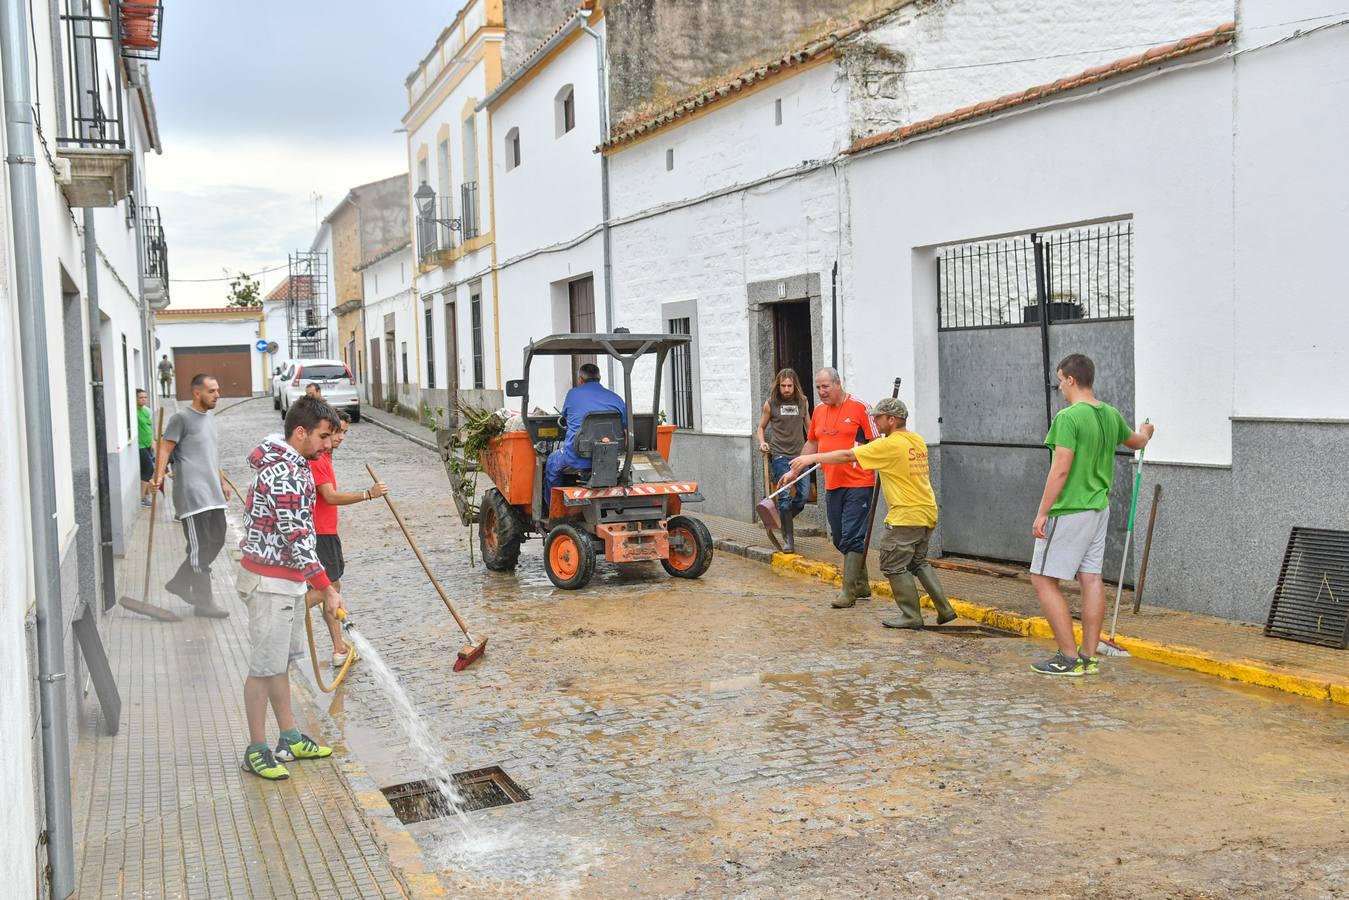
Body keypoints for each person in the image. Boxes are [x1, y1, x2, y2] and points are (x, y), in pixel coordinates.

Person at [236, 396, 344, 780]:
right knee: (263, 668)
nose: (328, 444)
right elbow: (296, 535)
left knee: (278, 663)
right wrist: (327, 588)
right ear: (300, 433)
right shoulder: (284, 473)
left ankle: (289, 737)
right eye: (323, 436)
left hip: (285, 581)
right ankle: (255, 748)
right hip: (268, 583)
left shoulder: (294, 465)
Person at [1029, 353, 1153, 677]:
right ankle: (1087, 656)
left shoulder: (1068, 418)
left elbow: (1060, 469)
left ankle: (1068, 659)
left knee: (1042, 579)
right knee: (1091, 578)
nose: (1060, 387)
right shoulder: (1109, 414)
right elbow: (1137, 442)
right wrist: (1147, 431)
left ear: (1071, 379)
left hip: (1070, 508)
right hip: (1100, 508)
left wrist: (1042, 512)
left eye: (1060, 380)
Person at [789, 397, 958, 629]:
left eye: (879, 417)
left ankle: (911, 615)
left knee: (893, 564)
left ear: (892, 419)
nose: (874, 420)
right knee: (917, 562)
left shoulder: (888, 445)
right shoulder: (915, 440)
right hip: (926, 512)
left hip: (904, 517)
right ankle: (945, 609)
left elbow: (847, 456)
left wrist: (811, 457)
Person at [307, 411, 387, 667]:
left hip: (327, 531)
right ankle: (286, 611)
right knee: (326, 591)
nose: (340, 438)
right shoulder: (319, 460)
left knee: (332, 589)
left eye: (343, 433)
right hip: (320, 534)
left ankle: (339, 648)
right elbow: (329, 496)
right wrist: (367, 494)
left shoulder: (325, 457)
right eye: (336, 432)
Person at [797, 368, 876, 608]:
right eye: (818, 387)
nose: (821, 392)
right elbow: (812, 441)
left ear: (838, 383)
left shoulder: (861, 408)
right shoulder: (819, 411)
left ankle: (848, 592)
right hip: (832, 482)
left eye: (825, 387)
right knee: (839, 538)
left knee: (852, 537)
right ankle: (861, 584)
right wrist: (795, 468)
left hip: (860, 482)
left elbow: (876, 444)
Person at [154, 374, 232, 618]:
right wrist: (158, 475)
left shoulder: (209, 417)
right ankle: (203, 603)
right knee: (200, 549)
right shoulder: (181, 418)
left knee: (217, 540)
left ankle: (179, 582)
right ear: (196, 393)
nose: (217, 395)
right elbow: (165, 447)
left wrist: (222, 480)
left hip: (213, 492)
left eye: (217, 390)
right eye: (212, 391)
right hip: (192, 494)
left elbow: (211, 454)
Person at [544, 362, 627, 496]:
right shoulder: (616, 398)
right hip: (609, 457)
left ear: (580, 380)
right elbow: (625, 428)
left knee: (552, 462)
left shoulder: (572, 395)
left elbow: (564, 416)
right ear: (599, 378)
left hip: (575, 457)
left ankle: (551, 507)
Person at [757, 368, 809, 552]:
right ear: (778, 386)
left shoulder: (803, 402)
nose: (786, 389)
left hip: (800, 455)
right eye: (783, 386)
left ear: (795, 386)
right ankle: (788, 540)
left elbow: (809, 429)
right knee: (785, 497)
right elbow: (761, 427)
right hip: (780, 455)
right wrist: (762, 442)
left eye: (789, 386)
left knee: (802, 497)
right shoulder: (771, 404)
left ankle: (780, 519)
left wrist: (815, 449)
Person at [136, 389, 155, 508]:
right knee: (149, 470)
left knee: (146, 471)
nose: (144, 399)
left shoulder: (146, 411)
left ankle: (145, 495)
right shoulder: (134, 412)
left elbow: (149, 427)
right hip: (140, 445)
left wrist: (152, 441)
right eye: (141, 397)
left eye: (145, 397)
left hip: (148, 445)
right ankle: (141, 499)